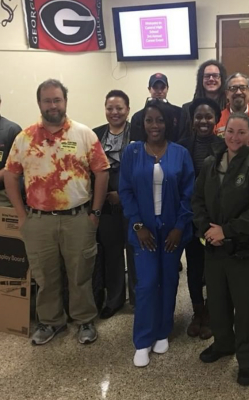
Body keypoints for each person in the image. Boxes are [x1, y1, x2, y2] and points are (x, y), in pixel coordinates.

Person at [4, 79, 110, 346]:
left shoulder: (84, 134)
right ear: (39, 103)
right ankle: (51, 321)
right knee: (45, 276)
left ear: (65, 101)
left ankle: (84, 319)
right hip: (38, 222)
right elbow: (10, 174)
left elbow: (101, 172)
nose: (53, 105)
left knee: (80, 274)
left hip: (78, 219)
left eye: (57, 100)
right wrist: (21, 216)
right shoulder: (25, 138)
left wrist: (95, 213)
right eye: (47, 100)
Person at [192, 112, 249, 386]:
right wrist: (207, 230)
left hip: (245, 252)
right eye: (230, 131)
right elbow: (197, 200)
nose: (235, 137)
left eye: (241, 132)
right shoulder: (210, 163)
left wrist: (226, 231)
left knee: (247, 309)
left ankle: (248, 360)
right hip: (215, 249)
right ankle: (224, 344)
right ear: (222, 132)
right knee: (217, 303)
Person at [119, 99, 194, 367]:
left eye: (159, 120)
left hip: (173, 230)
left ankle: (163, 331)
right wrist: (138, 225)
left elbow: (189, 194)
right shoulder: (132, 152)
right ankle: (142, 339)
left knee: (169, 280)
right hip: (144, 231)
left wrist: (179, 227)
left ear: (168, 123)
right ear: (142, 123)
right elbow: (126, 191)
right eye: (149, 120)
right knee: (148, 283)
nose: (154, 125)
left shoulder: (180, 153)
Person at [177, 97, 224, 339]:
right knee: (194, 268)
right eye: (199, 116)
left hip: (214, 219)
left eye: (208, 116)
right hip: (190, 217)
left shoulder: (225, 146)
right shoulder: (182, 146)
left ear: (216, 119)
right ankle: (198, 312)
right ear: (192, 119)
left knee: (213, 268)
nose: (203, 120)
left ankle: (212, 313)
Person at [92, 90, 133, 319]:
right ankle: (115, 299)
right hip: (106, 203)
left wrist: (123, 193)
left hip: (132, 202)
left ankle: (137, 299)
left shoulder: (138, 132)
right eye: (110, 108)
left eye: (119, 108)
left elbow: (143, 169)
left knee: (135, 251)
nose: (114, 112)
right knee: (111, 252)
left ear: (128, 109)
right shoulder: (95, 134)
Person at [177, 60, 228, 140]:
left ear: (222, 79)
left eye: (215, 76)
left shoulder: (228, 108)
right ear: (201, 80)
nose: (211, 79)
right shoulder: (187, 109)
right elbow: (182, 141)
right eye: (207, 76)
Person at [129, 73, 182, 142]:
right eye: (155, 88)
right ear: (149, 89)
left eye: (162, 87)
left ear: (167, 89)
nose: (159, 91)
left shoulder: (179, 113)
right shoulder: (138, 117)